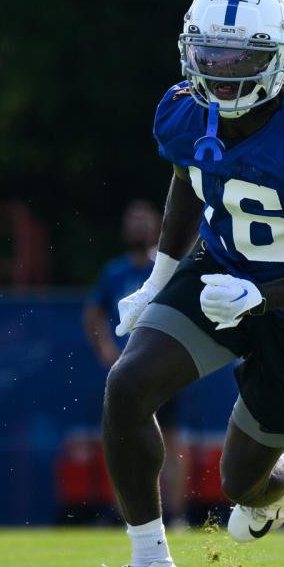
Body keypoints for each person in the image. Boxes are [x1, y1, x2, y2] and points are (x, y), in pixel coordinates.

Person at [94, 0, 284, 567]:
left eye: (241, 57)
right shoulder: (182, 109)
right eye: (210, 54)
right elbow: (188, 181)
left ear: (279, 59)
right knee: (127, 385)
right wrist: (159, 279)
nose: (222, 72)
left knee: (240, 485)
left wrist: (265, 296)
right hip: (219, 270)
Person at [83, 200, 188, 528]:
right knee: (124, 438)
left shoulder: (166, 268)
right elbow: (93, 313)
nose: (139, 227)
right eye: (133, 220)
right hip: (127, 368)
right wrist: (105, 347)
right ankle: (127, 515)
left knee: (169, 440)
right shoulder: (115, 272)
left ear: (158, 226)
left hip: (162, 367)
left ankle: (176, 514)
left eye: (145, 220)